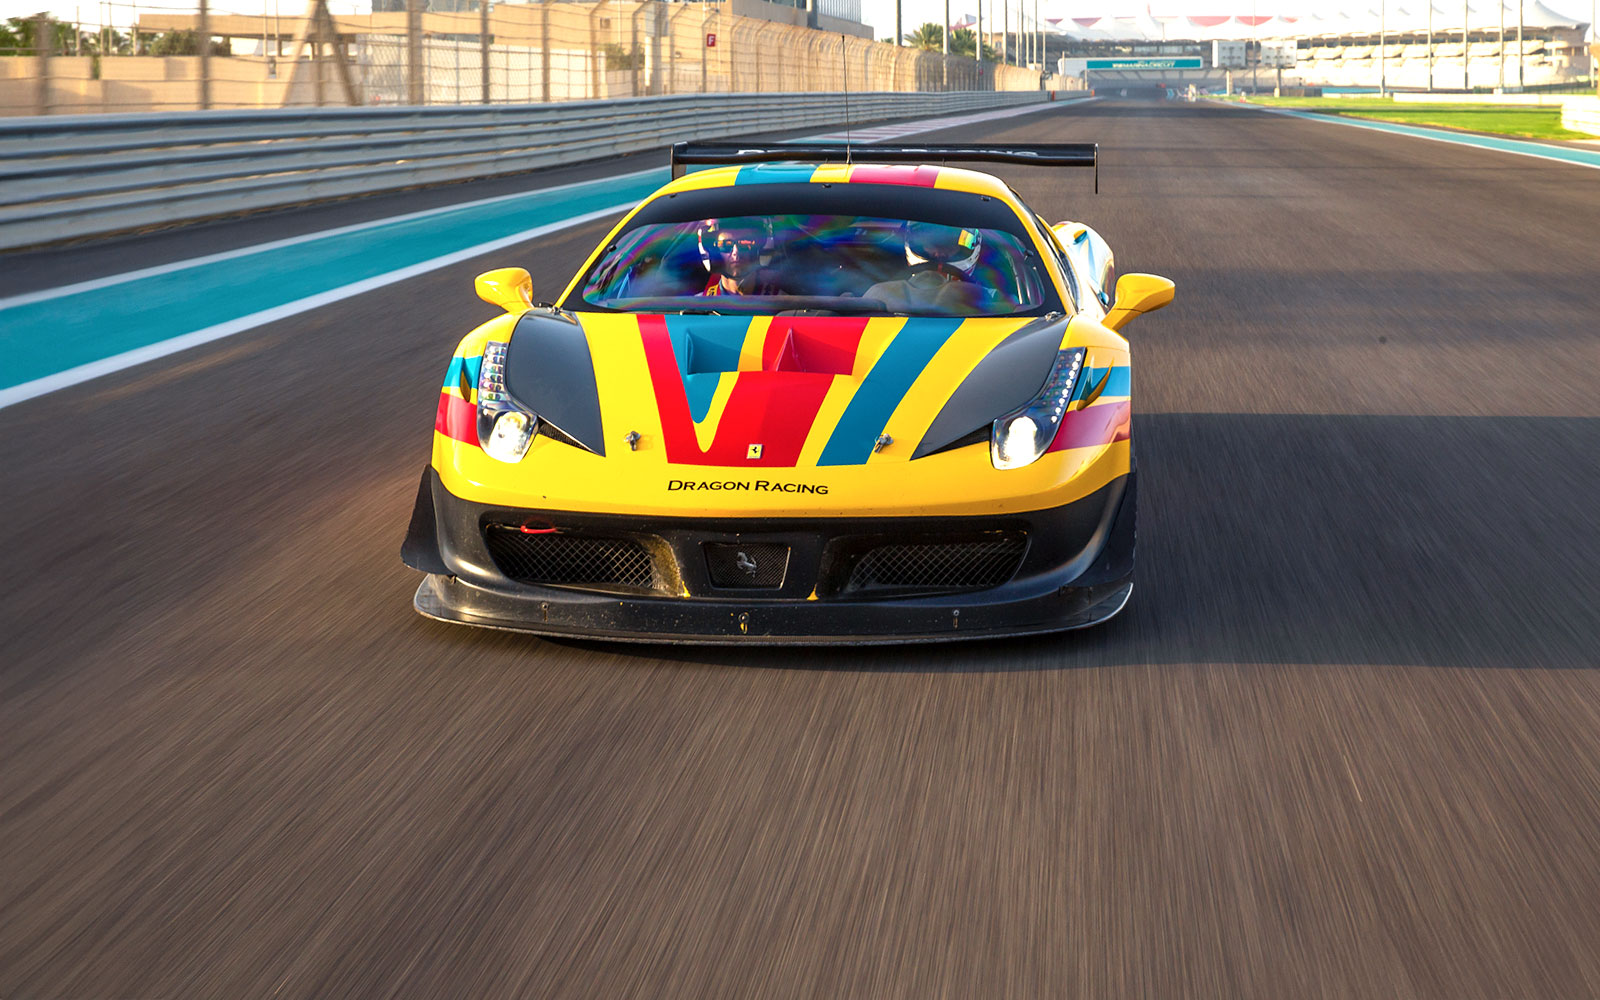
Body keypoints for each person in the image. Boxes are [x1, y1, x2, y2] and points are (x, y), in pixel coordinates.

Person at [863, 222, 987, 314]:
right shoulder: (878, 286)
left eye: (948, 245)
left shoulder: (992, 301)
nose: (939, 254)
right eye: (931, 244)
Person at [696, 221, 774, 296]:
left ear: (758, 249)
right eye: (725, 245)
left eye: (745, 243)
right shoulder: (699, 306)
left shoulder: (781, 303)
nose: (736, 252)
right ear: (713, 252)